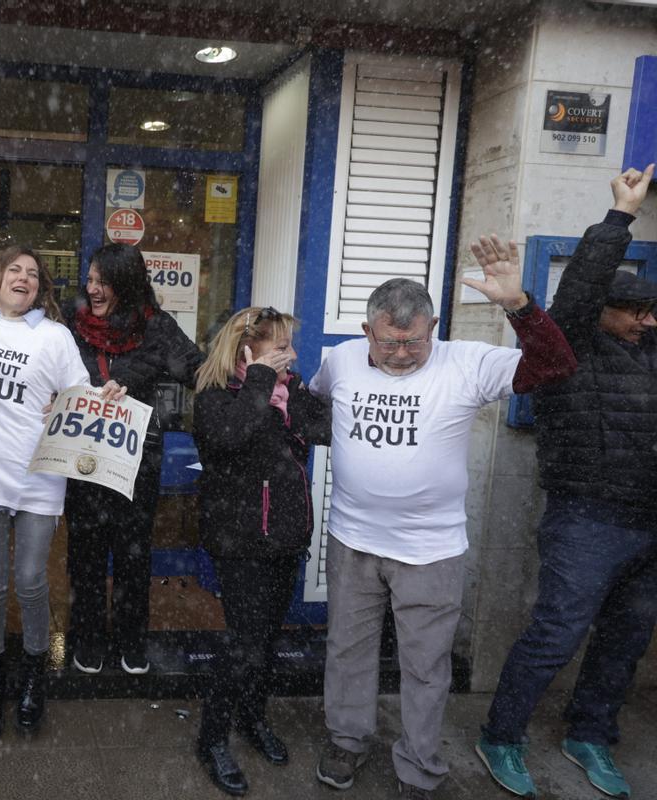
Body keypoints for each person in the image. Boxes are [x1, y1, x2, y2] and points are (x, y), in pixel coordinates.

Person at [308, 244, 578, 799]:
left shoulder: (468, 362)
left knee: (426, 666)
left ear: (434, 325)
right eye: (389, 342)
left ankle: (419, 766)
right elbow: (315, 409)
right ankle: (347, 739)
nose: (403, 353)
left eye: (414, 340)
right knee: (347, 650)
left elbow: (555, 366)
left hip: (430, 551)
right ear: (366, 330)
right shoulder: (340, 359)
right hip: (352, 539)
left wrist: (521, 306)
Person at [476, 164, 656, 800]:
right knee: (556, 633)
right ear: (601, 312)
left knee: (625, 640)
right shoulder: (570, 345)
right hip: (587, 520)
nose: (645, 321)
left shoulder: (652, 356)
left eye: (651, 311)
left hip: (648, 525)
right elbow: (576, 293)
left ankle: (590, 734)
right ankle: (501, 735)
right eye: (632, 310)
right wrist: (620, 218)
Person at [0, 245, 123, 740]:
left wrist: (106, 396)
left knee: (30, 581)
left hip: (39, 477)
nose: (23, 278)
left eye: (32, 273)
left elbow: (80, 397)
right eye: (14, 269)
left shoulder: (55, 337)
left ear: (40, 288)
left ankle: (33, 678)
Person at [192, 307, 331, 796]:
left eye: (289, 345)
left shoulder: (288, 389)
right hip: (240, 539)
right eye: (280, 346)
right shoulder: (215, 395)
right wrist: (259, 379)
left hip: (286, 535)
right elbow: (230, 436)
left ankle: (252, 718)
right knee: (244, 644)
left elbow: (326, 428)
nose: (291, 354)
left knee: (268, 642)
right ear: (246, 350)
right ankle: (212, 738)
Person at [64, 243, 204, 675]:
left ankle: (131, 639)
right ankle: (87, 638)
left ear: (126, 283)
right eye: (90, 280)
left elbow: (199, 371)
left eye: (102, 281)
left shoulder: (157, 327)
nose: (93, 289)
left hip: (136, 461)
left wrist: (246, 363)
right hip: (83, 459)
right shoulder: (71, 327)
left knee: (133, 554)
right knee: (85, 554)